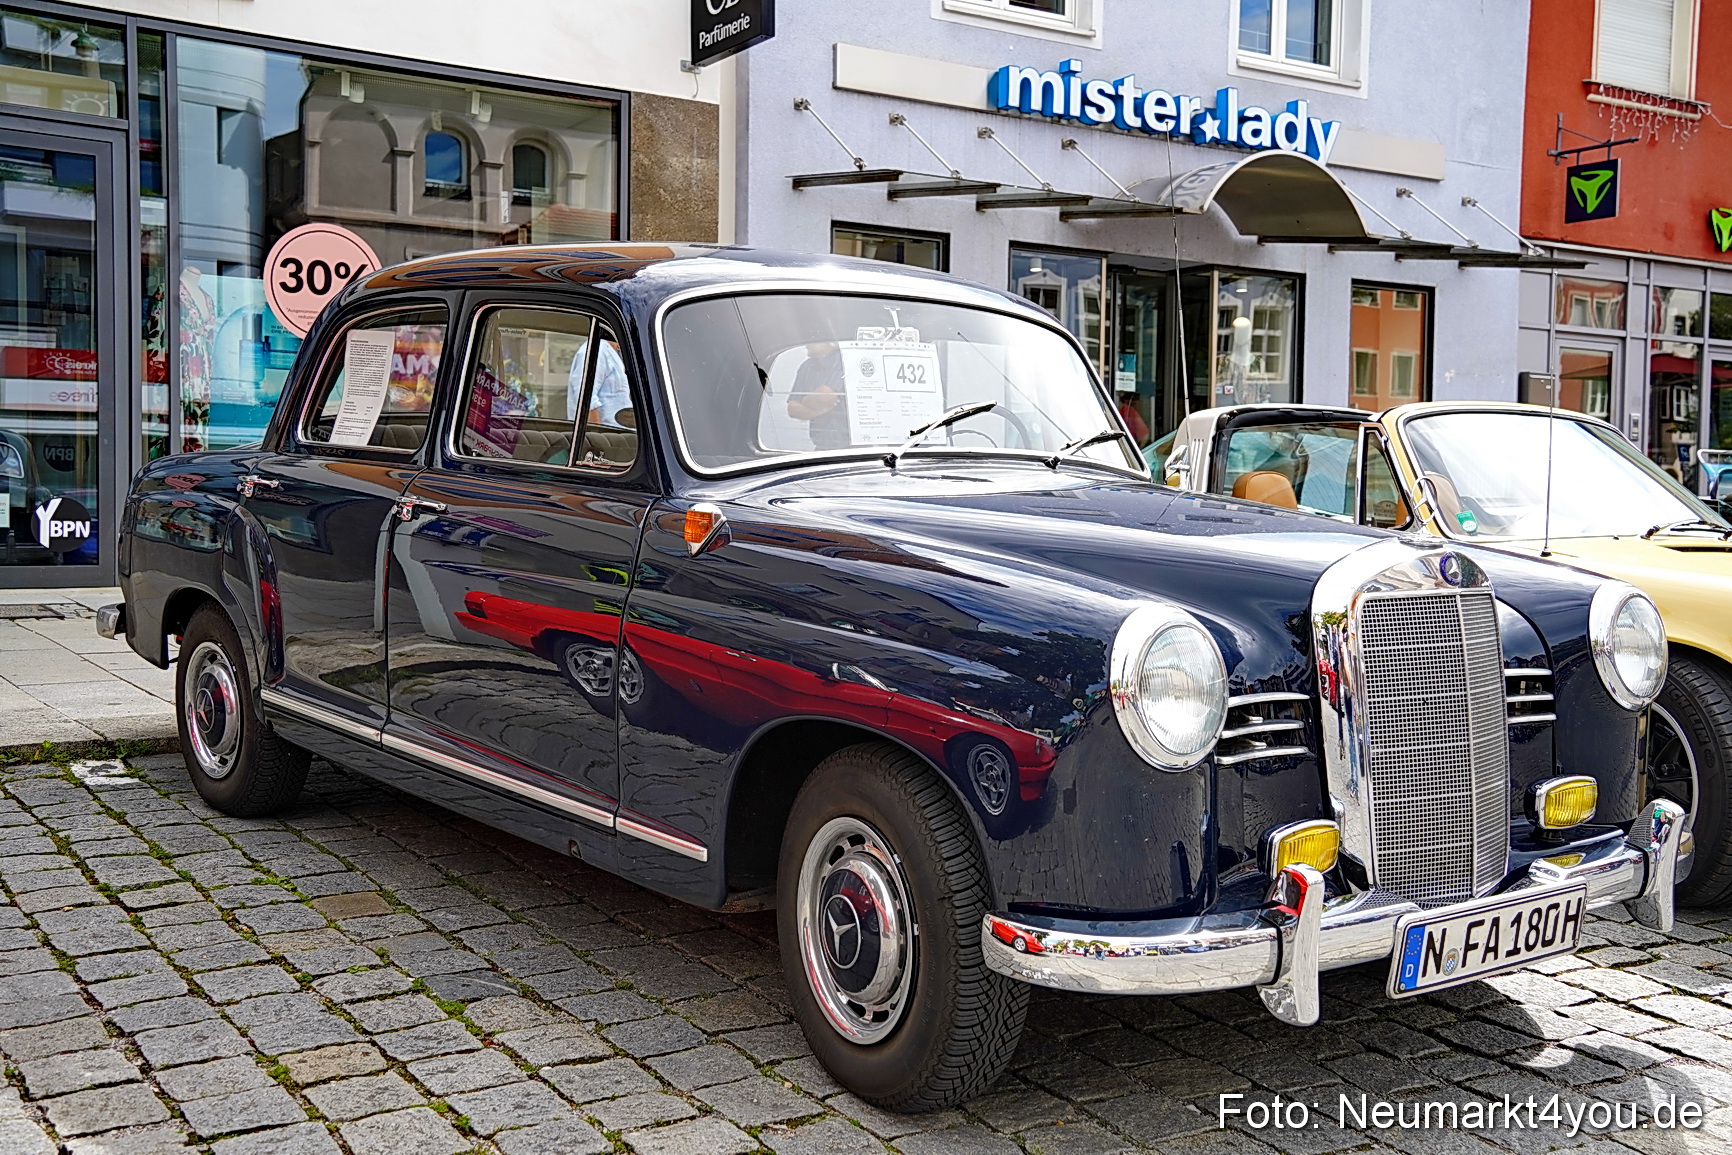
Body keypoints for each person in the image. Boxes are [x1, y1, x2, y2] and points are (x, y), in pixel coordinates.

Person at [786, 342, 850, 450]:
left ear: (827, 341)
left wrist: (805, 402)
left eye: (813, 339)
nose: (806, 344)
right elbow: (792, 409)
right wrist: (819, 411)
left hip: (856, 450)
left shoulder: (845, 360)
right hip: (822, 448)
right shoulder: (806, 367)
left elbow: (825, 396)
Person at [566, 333, 632, 427]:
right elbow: (586, 399)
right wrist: (597, 434)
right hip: (606, 436)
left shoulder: (619, 354)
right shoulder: (597, 350)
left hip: (622, 435)